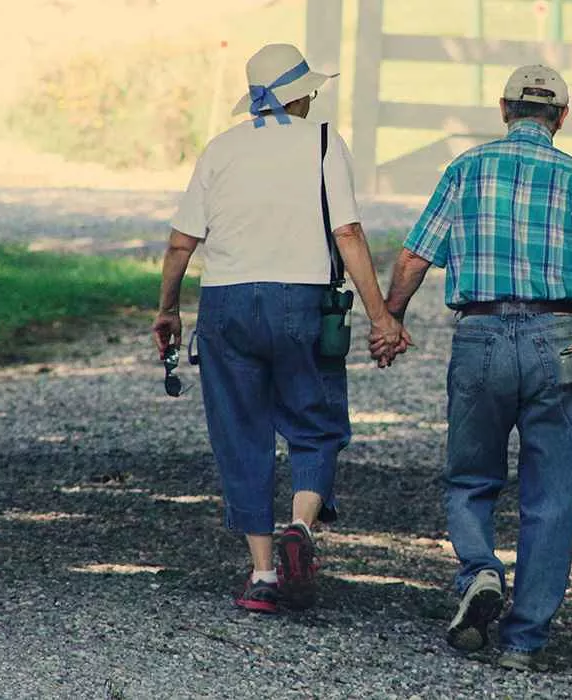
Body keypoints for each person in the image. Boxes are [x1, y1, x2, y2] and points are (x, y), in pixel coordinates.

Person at [373, 65, 572, 671]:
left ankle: (480, 570)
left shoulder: (465, 169)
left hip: (482, 335)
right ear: (562, 118)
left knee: (470, 476)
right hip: (557, 339)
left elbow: (415, 256)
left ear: (503, 109)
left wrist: (390, 320)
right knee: (553, 494)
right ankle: (523, 641)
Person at [152, 43, 408, 614]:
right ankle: (301, 525)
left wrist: (168, 309)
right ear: (300, 95)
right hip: (302, 299)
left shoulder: (219, 150)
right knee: (314, 422)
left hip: (226, 306)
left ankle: (265, 573)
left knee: (241, 434)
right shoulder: (321, 142)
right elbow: (347, 234)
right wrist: (381, 317)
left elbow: (180, 243)